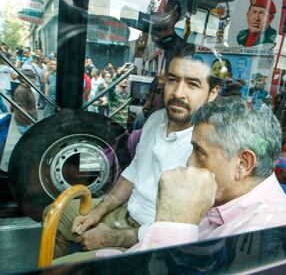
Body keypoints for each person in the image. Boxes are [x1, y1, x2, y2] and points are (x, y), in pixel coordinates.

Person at [51, 50, 220, 263]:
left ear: (212, 93)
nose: (178, 92)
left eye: (192, 85)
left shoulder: (206, 147)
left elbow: (185, 229)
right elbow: (134, 171)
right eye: (173, 80)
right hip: (125, 213)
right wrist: (99, 210)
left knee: (59, 269)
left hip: (149, 241)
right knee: (57, 213)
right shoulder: (156, 119)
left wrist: (114, 237)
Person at [92, 97, 286, 256]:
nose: (189, 162)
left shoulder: (267, 231)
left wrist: (176, 222)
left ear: (242, 164)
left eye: (199, 152)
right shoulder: (220, 197)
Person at [10, 65, 38, 134]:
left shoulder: (27, 88)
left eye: (33, 77)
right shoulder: (21, 91)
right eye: (31, 78)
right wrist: (30, 122)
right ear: (23, 79)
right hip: (26, 124)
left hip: (28, 122)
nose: (34, 80)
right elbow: (21, 110)